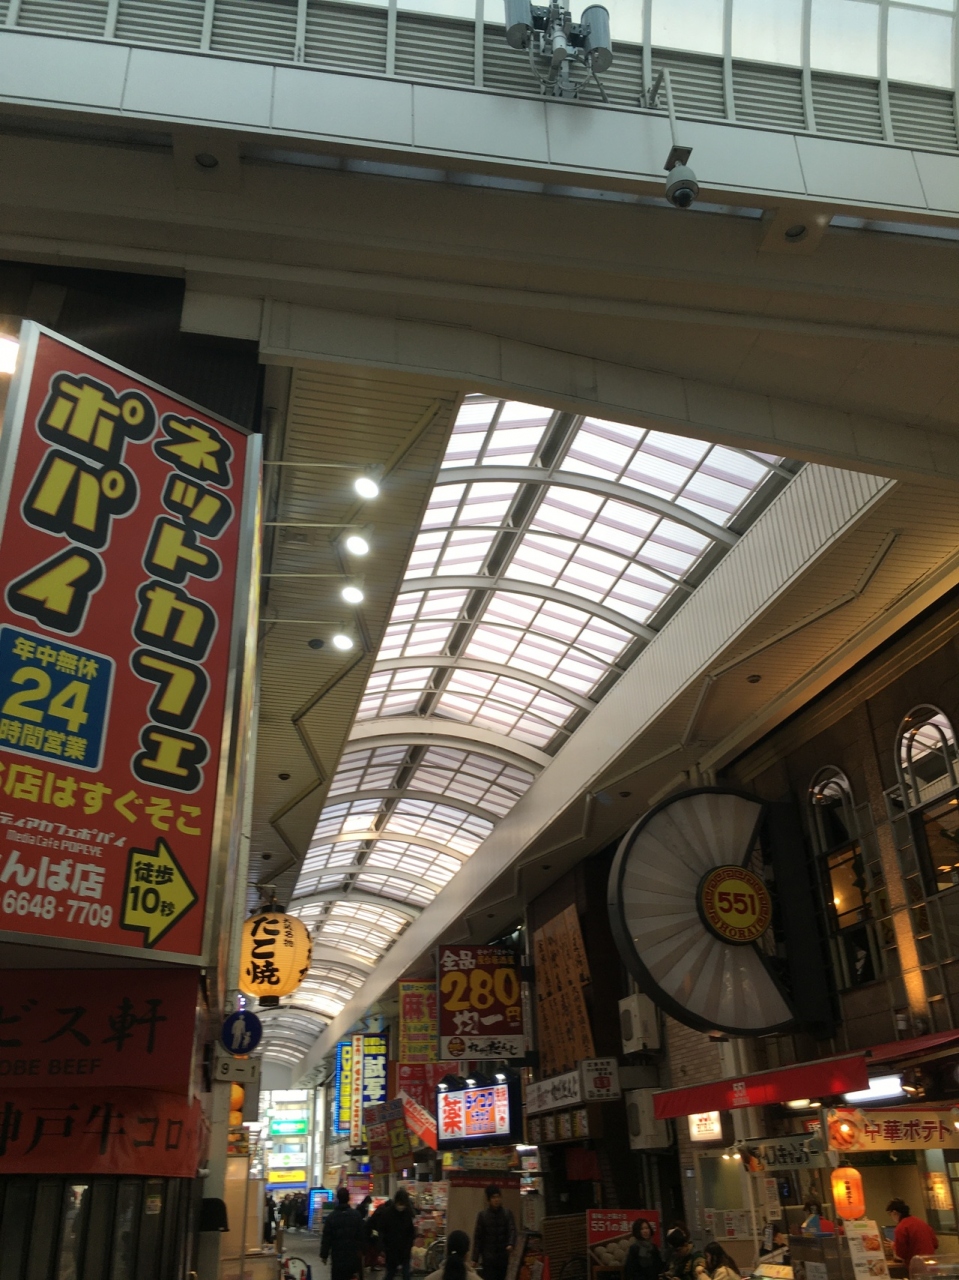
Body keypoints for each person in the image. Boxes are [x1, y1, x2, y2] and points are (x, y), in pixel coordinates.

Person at [370, 1187, 417, 1280]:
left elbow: (411, 1232)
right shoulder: (388, 1214)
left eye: (403, 1204)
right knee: (391, 1273)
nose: (401, 1206)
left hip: (404, 1249)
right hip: (391, 1250)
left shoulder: (407, 1214)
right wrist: (382, 1247)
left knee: (404, 1274)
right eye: (400, 1203)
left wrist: (409, 1244)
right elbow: (382, 1231)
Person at [473, 1185, 518, 1280]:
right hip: (488, 1258)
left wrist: (511, 1244)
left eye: (498, 1197)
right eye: (493, 1197)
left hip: (503, 1257)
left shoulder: (507, 1213)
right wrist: (475, 1258)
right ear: (489, 1200)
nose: (496, 1200)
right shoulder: (483, 1216)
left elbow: (512, 1230)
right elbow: (478, 1238)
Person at [321, 1186, 366, 1280]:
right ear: (348, 1198)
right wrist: (363, 1251)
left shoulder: (331, 1217)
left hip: (338, 1258)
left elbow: (326, 1238)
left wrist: (324, 1255)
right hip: (353, 1257)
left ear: (338, 1199)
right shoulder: (356, 1215)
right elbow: (362, 1235)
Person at [887, 1199, 938, 1268]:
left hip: (917, 1266)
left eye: (890, 1214)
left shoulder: (901, 1227)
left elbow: (901, 1255)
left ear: (894, 1213)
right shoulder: (921, 1222)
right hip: (932, 1263)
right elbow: (935, 1244)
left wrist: (894, 1246)